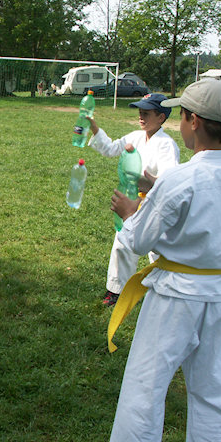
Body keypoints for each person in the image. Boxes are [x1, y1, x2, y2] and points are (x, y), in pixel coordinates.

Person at [105, 78, 221, 442]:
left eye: (183, 116)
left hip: (175, 295)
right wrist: (156, 192)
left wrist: (132, 211)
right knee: (212, 384)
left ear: (193, 121)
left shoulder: (181, 179)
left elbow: (138, 239)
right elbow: (202, 209)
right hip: (217, 295)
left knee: (147, 379)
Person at [87, 93, 180, 306]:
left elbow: (170, 182)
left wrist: (149, 182)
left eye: (146, 113)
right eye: (140, 112)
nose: (141, 117)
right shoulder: (136, 137)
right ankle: (117, 290)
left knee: (157, 249)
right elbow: (110, 149)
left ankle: (166, 289)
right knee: (123, 243)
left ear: (161, 117)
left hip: (154, 204)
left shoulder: (166, 145)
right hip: (132, 201)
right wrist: (93, 126)